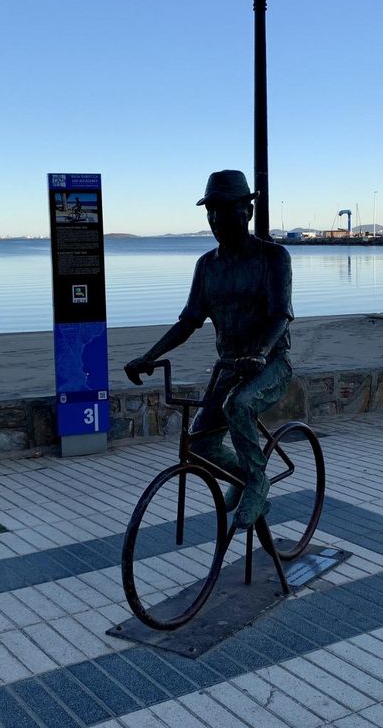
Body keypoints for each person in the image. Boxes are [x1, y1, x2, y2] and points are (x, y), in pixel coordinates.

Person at [125, 170, 293, 529]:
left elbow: (281, 316)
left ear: (247, 211)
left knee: (240, 404)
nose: (216, 218)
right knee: (200, 445)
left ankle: (258, 482)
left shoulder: (274, 258)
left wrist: (261, 352)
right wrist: (149, 357)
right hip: (229, 367)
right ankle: (248, 478)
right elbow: (189, 321)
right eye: (210, 211)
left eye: (224, 209)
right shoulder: (207, 266)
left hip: (271, 364)